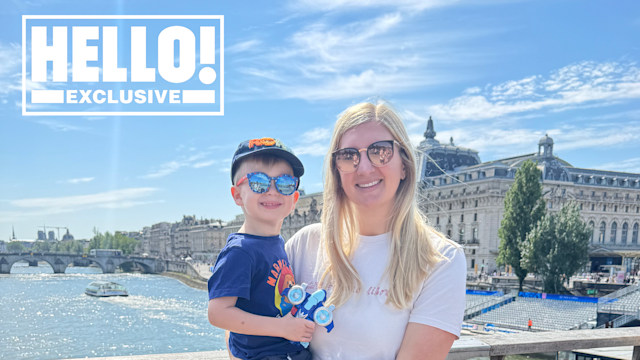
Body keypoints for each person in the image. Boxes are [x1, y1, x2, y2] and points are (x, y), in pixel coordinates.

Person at [286, 102, 467, 360]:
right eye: (348, 156)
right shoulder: (305, 244)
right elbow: (242, 323)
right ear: (336, 170)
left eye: (380, 152)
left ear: (405, 164)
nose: (364, 168)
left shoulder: (441, 259)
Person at [208, 137, 315, 360]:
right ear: (237, 195)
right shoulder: (240, 251)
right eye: (259, 182)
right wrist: (283, 328)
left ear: (294, 198)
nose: (272, 191)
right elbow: (218, 314)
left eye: (285, 183)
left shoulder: (276, 242)